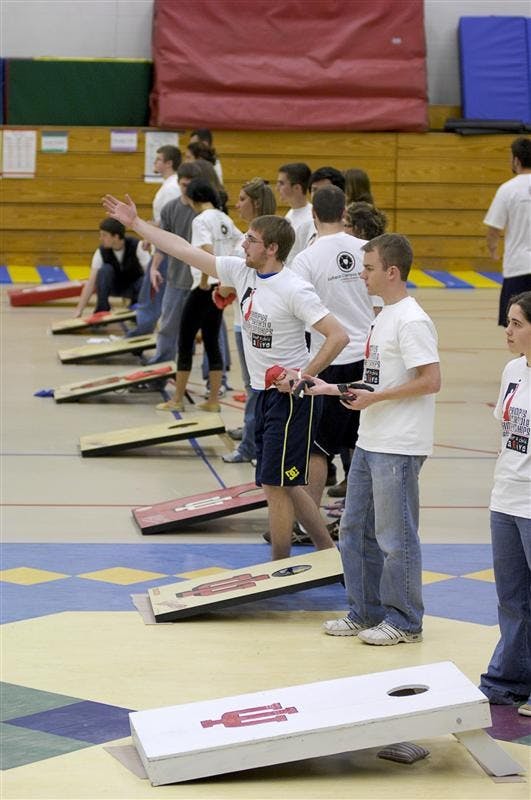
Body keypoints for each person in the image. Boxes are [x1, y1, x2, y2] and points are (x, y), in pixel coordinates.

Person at [102, 192, 349, 561]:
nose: (243, 244)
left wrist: (303, 375)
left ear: (272, 248)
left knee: (274, 483)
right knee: (285, 481)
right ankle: (329, 555)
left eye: (251, 239)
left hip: (291, 399)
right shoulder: (242, 271)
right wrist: (136, 224)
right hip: (263, 394)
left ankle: (279, 565)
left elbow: (338, 336)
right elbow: (183, 250)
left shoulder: (294, 288)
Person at [307, 233, 441, 645]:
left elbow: (430, 380)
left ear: (392, 272)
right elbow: (378, 380)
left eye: (368, 269)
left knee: (395, 537)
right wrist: (332, 389)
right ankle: (365, 611)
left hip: (398, 445)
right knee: (354, 529)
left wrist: (376, 399)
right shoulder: (381, 315)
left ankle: (405, 621)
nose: (361, 276)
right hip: (371, 439)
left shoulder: (411, 320)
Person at [290, 185, 379, 533]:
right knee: (360, 441)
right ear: (345, 213)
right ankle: (356, 520)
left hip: (328, 359)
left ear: (314, 215)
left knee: (318, 448)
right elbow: (379, 307)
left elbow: (298, 313)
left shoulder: (306, 258)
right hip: (367, 359)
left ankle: (307, 524)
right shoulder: (368, 250)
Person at [479, 291, 531, 717]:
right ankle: (508, 679)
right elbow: (506, 432)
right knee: (511, 597)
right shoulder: (513, 370)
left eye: (517, 324)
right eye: (508, 322)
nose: (508, 331)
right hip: (506, 499)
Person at [156, 178, 243, 413]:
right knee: (212, 341)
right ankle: (213, 400)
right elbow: (240, 243)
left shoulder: (200, 220)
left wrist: (205, 279)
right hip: (221, 288)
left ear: (193, 199)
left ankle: (177, 399)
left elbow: (205, 250)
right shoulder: (225, 218)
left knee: (185, 340)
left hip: (205, 288)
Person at [223, 178, 277, 463]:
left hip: (256, 324)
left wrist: (224, 286)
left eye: (242, 199)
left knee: (257, 386)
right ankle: (251, 433)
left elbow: (229, 284)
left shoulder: (261, 241)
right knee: (251, 386)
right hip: (241, 321)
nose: (237, 204)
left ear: (255, 203)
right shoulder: (247, 237)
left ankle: (251, 446)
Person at [144, 161, 201, 366]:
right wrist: (154, 268)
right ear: (178, 183)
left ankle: (216, 374)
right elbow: (162, 243)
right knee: (168, 323)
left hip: (201, 281)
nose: (188, 189)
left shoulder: (205, 210)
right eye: (184, 185)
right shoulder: (170, 208)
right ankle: (162, 363)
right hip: (176, 277)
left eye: (191, 185)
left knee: (209, 328)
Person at [125, 145, 182, 338]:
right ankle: (145, 327)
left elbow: (168, 222)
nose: (154, 162)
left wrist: (150, 234)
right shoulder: (169, 186)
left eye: (158, 159)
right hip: (162, 244)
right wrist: (149, 233)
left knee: (151, 292)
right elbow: (161, 219)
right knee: (155, 293)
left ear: (169, 163)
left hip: (165, 248)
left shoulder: (172, 188)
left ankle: (142, 330)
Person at [483, 137, 531, 326]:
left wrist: (493, 249)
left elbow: (494, 228)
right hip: (518, 266)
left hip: (518, 267)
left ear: (516, 160)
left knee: (516, 324)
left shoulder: (508, 189)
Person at [74, 219, 150, 317]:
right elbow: (91, 283)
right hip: (114, 287)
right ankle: (102, 309)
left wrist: (152, 307)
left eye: (104, 235)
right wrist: (79, 310)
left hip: (133, 288)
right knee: (105, 270)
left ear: (116, 237)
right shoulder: (101, 251)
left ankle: (136, 307)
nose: (100, 239)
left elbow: (150, 276)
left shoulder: (138, 246)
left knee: (145, 279)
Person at [276, 162, 315, 265]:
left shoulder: (311, 218)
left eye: (282, 184)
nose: (277, 188)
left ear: (297, 188)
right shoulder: (290, 213)